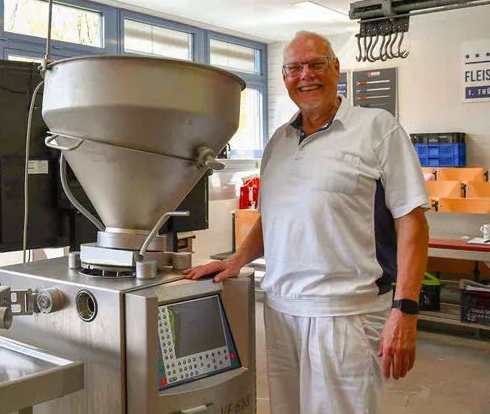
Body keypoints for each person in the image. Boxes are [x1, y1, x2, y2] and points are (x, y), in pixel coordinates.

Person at [184, 30, 430, 414]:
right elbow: (273, 217)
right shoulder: (278, 142)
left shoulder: (377, 128)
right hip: (281, 309)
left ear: (335, 68)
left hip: (346, 313)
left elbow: (412, 221)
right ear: (284, 77)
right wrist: (236, 259)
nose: (306, 76)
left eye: (316, 64)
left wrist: (405, 310)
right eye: (295, 68)